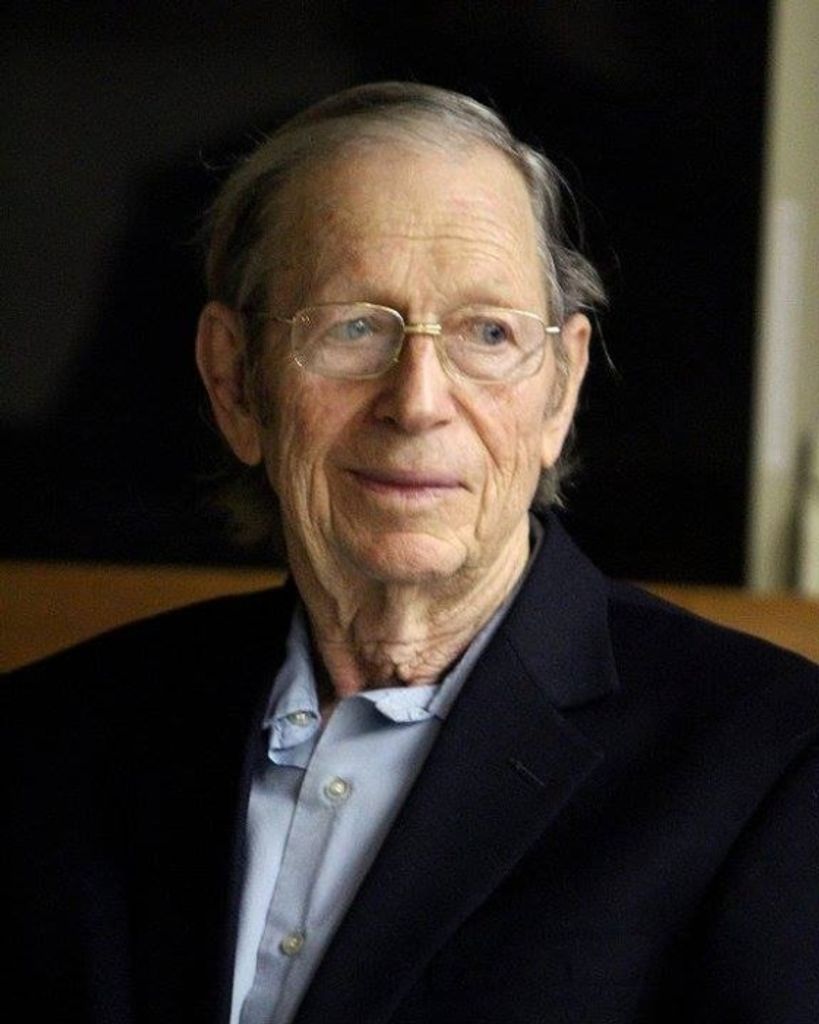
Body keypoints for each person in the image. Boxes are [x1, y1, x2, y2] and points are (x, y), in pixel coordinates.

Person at [4, 82, 819, 1024]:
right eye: (354, 327)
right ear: (234, 383)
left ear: (558, 390)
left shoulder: (770, 762)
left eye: (487, 333)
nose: (418, 401)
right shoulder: (42, 743)